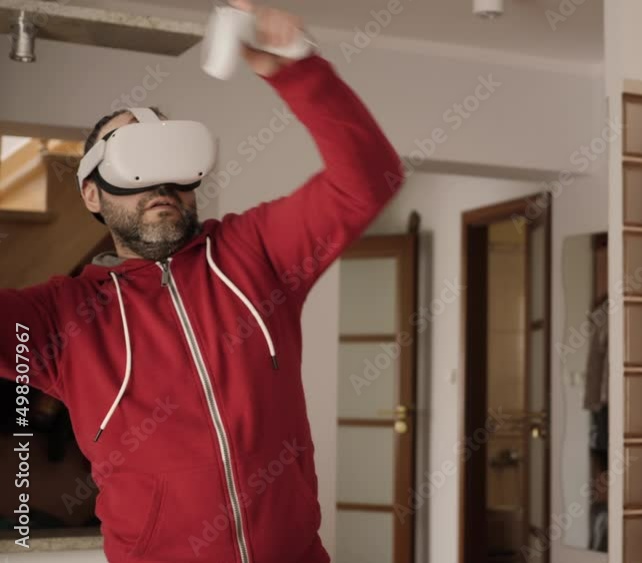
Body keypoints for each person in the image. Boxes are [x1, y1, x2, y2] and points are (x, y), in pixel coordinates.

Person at [0, 0, 404, 560]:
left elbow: (368, 180)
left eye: (174, 161)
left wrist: (295, 68)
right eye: (134, 166)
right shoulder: (61, 317)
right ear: (92, 193)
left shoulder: (254, 253)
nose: (160, 183)